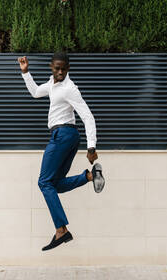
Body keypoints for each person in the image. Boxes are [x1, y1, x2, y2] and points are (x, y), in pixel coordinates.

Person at [18, 52, 105, 251]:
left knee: (44, 182)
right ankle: (91, 176)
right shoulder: (52, 83)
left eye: (63, 69)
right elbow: (35, 92)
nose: (60, 72)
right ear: (51, 67)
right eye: (57, 68)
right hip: (67, 136)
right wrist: (25, 72)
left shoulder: (69, 89)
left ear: (68, 69)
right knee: (54, 185)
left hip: (63, 135)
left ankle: (61, 230)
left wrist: (91, 146)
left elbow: (88, 116)